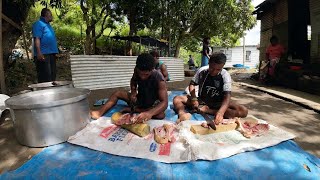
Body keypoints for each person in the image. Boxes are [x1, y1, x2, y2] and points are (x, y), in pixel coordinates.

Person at [173, 52, 248, 124]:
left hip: (218, 103)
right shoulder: (202, 71)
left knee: (243, 111)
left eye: (218, 69)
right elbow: (192, 84)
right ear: (209, 63)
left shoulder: (225, 75)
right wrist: (194, 98)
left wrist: (221, 112)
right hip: (202, 101)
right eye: (212, 68)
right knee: (177, 99)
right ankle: (182, 114)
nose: (214, 71)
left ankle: (209, 111)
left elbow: (227, 97)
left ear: (223, 66)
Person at [90, 53, 168, 122]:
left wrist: (150, 113)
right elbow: (133, 80)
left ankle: (137, 110)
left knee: (160, 115)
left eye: (146, 75)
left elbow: (164, 102)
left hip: (151, 104)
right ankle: (99, 113)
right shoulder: (137, 70)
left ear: (152, 70)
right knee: (117, 93)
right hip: (139, 100)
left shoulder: (159, 78)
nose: (142, 77)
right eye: (141, 74)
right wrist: (133, 92)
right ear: (137, 68)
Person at [32, 8, 59, 83]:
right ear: (46, 15)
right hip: (43, 53)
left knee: (52, 75)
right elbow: (37, 38)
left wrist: (55, 52)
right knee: (45, 76)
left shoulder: (48, 25)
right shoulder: (38, 24)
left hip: (51, 54)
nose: (52, 16)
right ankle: (44, 93)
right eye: (50, 14)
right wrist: (39, 52)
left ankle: (52, 93)